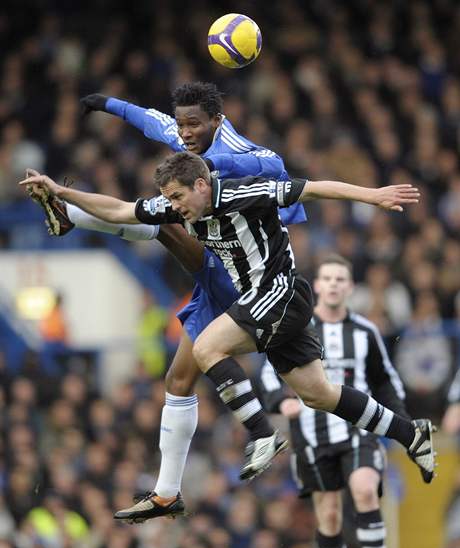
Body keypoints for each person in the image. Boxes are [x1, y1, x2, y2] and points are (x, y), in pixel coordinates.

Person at [22, 151, 436, 526]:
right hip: (261, 301)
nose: (175, 206)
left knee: (206, 347)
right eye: (169, 198)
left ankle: (260, 434)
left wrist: (374, 196)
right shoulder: (179, 203)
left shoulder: (244, 192)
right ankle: (410, 434)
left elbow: (313, 188)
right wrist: (62, 192)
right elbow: (119, 209)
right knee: (319, 394)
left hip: (280, 294)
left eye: (179, 196)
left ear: (202, 185)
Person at [27, 82, 306, 516]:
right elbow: (151, 120)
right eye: (182, 123)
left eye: (194, 123)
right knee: (178, 382)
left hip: (241, 274)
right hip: (216, 268)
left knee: (162, 218)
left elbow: (275, 164)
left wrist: (220, 167)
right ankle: (167, 493)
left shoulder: (231, 149)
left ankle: (259, 432)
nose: (185, 131)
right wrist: (107, 104)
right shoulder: (186, 137)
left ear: (218, 120)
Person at [257, 254, 409, 548]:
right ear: (317, 285)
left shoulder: (366, 331)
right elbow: (267, 373)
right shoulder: (297, 327)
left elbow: (386, 381)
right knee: (329, 515)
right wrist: (279, 401)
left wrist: (403, 424)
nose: (333, 285)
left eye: (340, 279)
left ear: (350, 287)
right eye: (327, 278)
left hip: (358, 430)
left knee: (365, 491)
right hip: (312, 434)